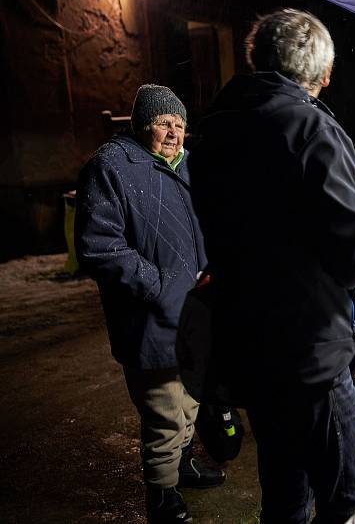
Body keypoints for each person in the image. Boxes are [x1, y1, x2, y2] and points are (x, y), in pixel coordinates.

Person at [189, 9, 355, 523]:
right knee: (347, 500)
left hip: (250, 349)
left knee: (283, 496)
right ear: (324, 76)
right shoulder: (313, 130)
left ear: (254, 58)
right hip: (312, 358)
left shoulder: (213, 130)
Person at [75, 84, 225, 524]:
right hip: (150, 319)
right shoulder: (112, 166)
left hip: (196, 315)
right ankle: (161, 495)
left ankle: (180, 466)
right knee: (163, 411)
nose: (174, 132)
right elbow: (99, 247)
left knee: (190, 401)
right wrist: (158, 285)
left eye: (179, 125)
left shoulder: (189, 166)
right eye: (164, 123)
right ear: (143, 125)